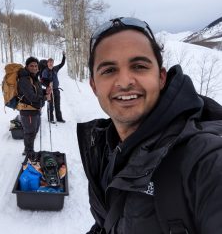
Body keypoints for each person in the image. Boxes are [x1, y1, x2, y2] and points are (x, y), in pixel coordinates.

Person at [77, 17, 222, 233]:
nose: (124, 82)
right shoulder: (106, 149)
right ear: (93, 85)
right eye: (108, 70)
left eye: (139, 66)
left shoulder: (205, 161)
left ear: (161, 77)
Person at [17, 56, 51, 156]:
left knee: (34, 131)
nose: (34, 68)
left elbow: (38, 92)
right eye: (31, 66)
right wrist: (46, 97)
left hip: (35, 110)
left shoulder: (34, 78)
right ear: (27, 67)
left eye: (36, 66)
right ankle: (28, 152)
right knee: (30, 132)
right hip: (28, 112)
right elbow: (31, 97)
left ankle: (29, 150)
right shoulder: (24, 80)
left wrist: (45, 91)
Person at [41, 52, 66, 123]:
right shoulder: (45, 71)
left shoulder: (55, 69)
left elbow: (62, 64)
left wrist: (64, 56)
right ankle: (50, 118)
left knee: (57, 104)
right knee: (50, 104)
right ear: (47, 63)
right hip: (49, 89)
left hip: (56, 89)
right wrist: (48, 83)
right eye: (49, 62)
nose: (51, 64)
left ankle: (59, 118)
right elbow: (42, 81)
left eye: (52, 62)